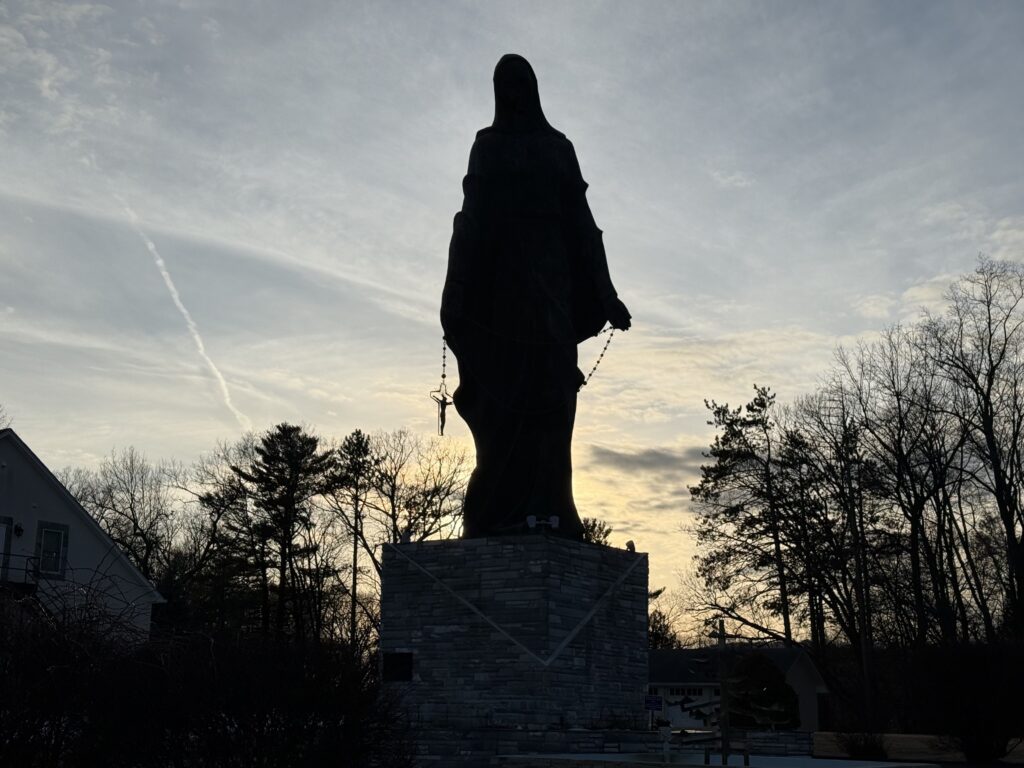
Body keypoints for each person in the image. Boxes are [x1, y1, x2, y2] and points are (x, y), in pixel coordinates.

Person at [441, 53, 631, 539]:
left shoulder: (557, 148)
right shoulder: (487, 146)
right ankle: (497, 511)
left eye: (520, 84)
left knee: (552, 400)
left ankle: (550, 506)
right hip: (501, 293)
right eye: (505, 86)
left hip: (551, 292)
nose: (514, 95)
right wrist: (458, 288)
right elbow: (471, 220)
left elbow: (583, 225)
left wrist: (607, 294)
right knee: (502, 408)